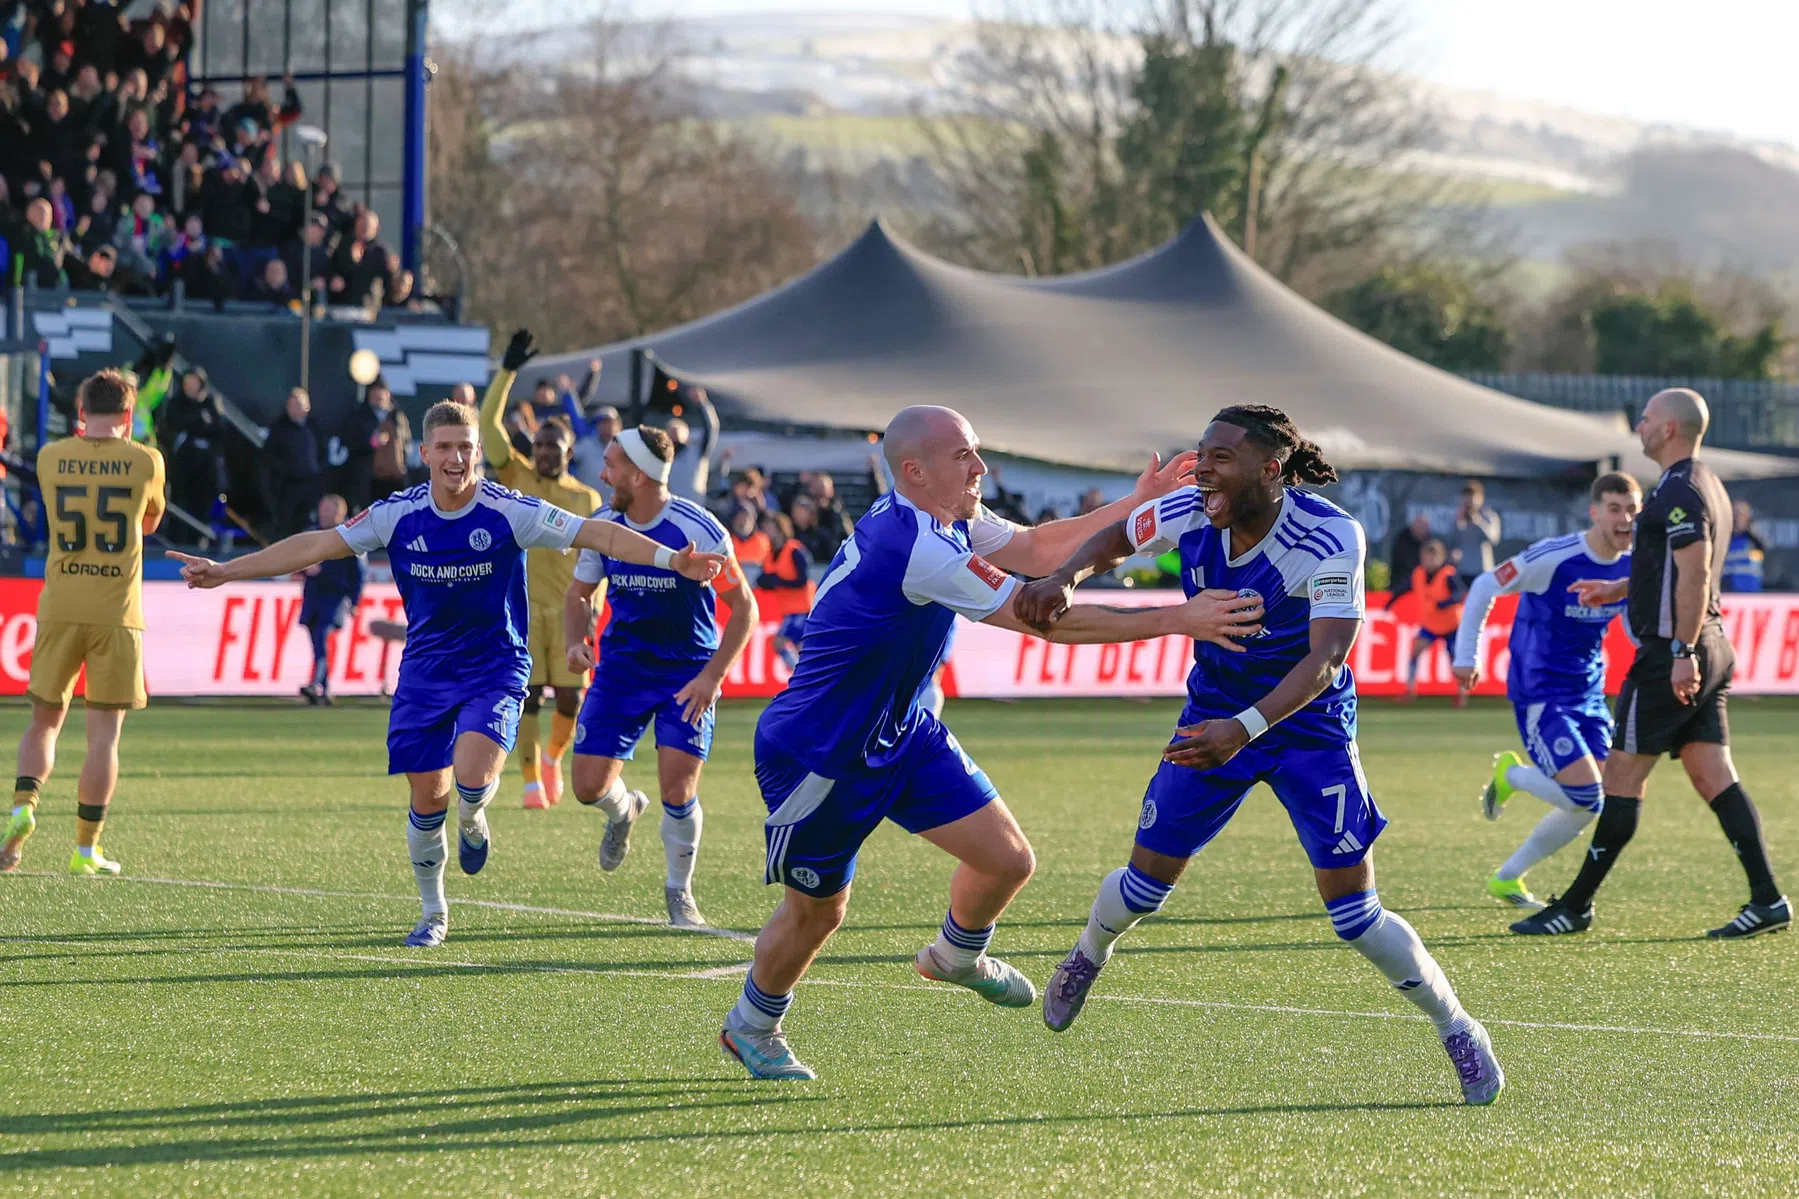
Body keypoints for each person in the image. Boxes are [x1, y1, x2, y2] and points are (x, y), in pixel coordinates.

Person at [719, 404, 1260, 1081]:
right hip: (820, 754)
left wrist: (1134, 503)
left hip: (901, 730)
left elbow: (1036, 549)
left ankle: (954, 954)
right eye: (963, 456)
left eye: (976, 452)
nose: (979, 466)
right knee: (819, 911)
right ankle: (752, 1024)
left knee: (1006, 860)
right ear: (915, 471)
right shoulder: (915, 545)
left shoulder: (948, 521)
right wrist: (1179, 617)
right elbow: (1045, 619)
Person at [1015, 404, 1503, 1106]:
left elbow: (1327, 659)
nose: (1201, 467)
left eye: (1219, 456)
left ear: (1269, 469)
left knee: (1355, 914)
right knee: (1144, 885)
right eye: (1201, 452)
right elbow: (1121, 535)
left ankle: (1457, 1026)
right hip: (1212, 714)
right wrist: (1066, 573)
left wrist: (1243, 729)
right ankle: (1087, 954)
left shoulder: (1329, 534)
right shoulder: (1192, 509)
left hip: (1306, 727)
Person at [168, 399, 727, 948]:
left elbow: (597, 534)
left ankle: (475, 813)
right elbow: (317, 544)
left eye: (465, 448)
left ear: (479, 453)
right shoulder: (398, 514)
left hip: (495, 669)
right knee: (426, 801)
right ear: (425, 453)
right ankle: (434, 912)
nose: (456, 458)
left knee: (472, 778)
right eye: (444, 448)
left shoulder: (510, 509)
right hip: (425, 676)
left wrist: (671, 559)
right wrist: (227, 571)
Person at [1513, 389, 1789, 939]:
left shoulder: (1680, 489)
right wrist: (1618, 586)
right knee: (1714, 775)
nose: (1637, 426)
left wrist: (1681, 652)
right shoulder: (1702, 482)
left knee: (1620, 778)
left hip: (1673, 652)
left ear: (1666, 429)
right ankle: (1768, 899)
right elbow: (1669, 566)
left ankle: (1575, 906)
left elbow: (1695, 573)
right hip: (1708, 644)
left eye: (1645, 419)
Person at [563, 425, 757, 927]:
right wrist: (575, 641)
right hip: (622, 671)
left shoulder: (700, 528)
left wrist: (712, 677)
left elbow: (743, 609)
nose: (602, 473)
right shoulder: (602, 525)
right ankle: (623, 810)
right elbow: (579, 594)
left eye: (611, 464)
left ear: (641, 475)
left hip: (686, 673)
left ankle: (679, 891)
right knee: (586, 787)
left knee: (678, 786)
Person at [1, 370, 165, 876]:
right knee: (103, 738)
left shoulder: (51, 457)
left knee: (43, 723)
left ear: (80, 409)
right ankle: (85, 850)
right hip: (116, 613)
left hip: (59, 605)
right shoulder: (145, 460)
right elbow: (150, 522)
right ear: (128, 414)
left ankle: (23, 810)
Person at [1451, 473, 1640, 910]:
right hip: (1541, 691)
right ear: (1594, 512)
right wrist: (1467, 656)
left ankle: (1507, 878)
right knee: (1586, 795)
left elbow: (1631, 625)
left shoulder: (1635, 562)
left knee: (1593, 802)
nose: (1624, 519)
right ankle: (1512, 776)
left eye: (1632, 509)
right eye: (1615, 508)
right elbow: (1484, 585)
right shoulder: (1556, 556)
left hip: (1590, 693)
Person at [480, 331, 606, 810]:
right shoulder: (517, 478)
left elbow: (598, 561)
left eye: (556, 445)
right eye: (541, 444)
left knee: (571, 704)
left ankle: (554, 758)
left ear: (570, 451)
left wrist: (593, 606)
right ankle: (533, 782)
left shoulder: (586, 499)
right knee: (528, 698)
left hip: (572, 613)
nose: (547, 451)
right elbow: (489, 423)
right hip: (524, 612)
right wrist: (507, 372)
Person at [297, 494, 366, 705]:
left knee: (322, 638)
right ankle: (324, 690)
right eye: (322, 508)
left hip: (334, 598)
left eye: (328, 509)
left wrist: (354, 602)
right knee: (318, 642)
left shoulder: (350, 538)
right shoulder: (311, 534)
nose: (323, 513)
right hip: (313, 597)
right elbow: (294, 560)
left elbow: (358, 575)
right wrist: (304, 569)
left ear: (340, 512)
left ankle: (316, 683)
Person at [1403, 539, 1463, 703]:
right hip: (1431, 624)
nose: (1429, 561)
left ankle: (1461, 695)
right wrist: (1389, 602)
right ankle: (1410, 690)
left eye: (1433, 557)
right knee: (1415, 653)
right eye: (1426, 557)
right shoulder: (1419, 573)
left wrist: (1444, 603)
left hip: (1451, 625)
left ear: (1441, 557)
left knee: (1456, 660)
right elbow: (1403, 587)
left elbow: (1459, 594)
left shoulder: (1448, 574)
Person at [264, 387, 323, 540]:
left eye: (299, 404)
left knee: (307, 526)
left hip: (310, 484)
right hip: (287, 487)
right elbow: (269, 456)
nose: (295, 409)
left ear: (307, 406)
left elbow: (322, 452)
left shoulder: (313, 427)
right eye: (292, 405)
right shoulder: (279, 428)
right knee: (285, 527)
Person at [1453, 481, 1501, 588]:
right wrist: (1458, 522)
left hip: (1482, 570)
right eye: (1466, 498)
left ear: (1481, 498)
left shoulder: (1489, 516)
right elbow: (1452, 541)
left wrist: (1478, 521)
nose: (1469, 502)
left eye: (1472, 498)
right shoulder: (1459, 515)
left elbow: (1493, 539)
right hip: (1463, 571)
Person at [1385, 513, 1430, 608]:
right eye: (1420, 527)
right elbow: (1407, 565)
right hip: (1401, 581)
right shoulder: (1402, 539)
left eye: (1424, 527)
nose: (1422, 530)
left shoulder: (1428, 541)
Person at [1723, 501, 1765, 593]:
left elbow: (1762, 547)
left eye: (1740, 514)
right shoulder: (1724, 539)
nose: (1737, 518)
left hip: (1750, 592)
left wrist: (1748, 530)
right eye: (1734, 514)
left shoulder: (1753, 539)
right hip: (1728, 592)